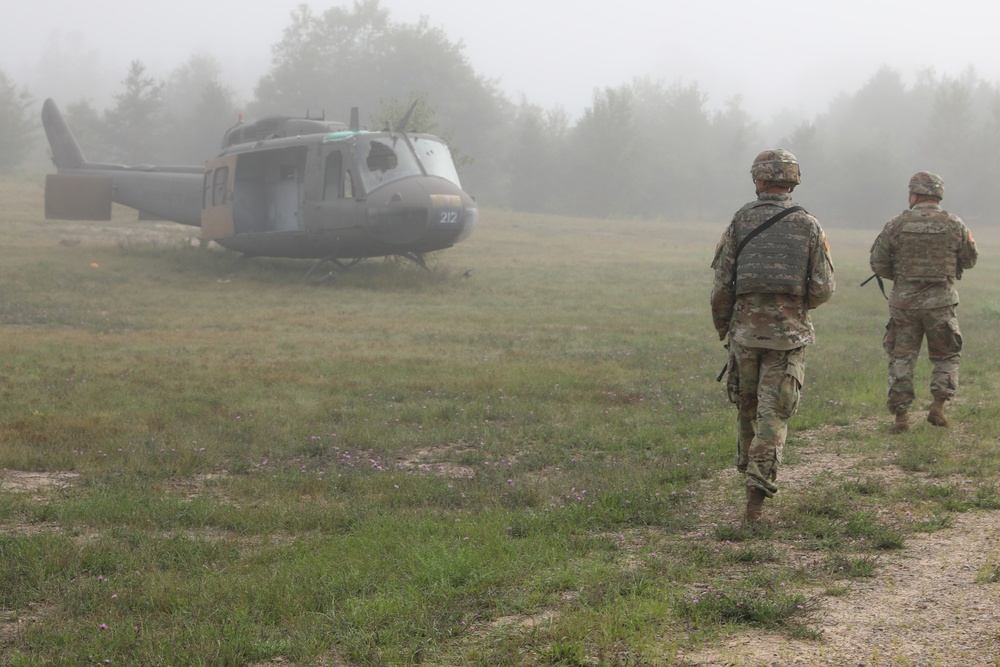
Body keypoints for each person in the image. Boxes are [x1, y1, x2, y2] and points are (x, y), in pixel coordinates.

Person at [710, 149, 836, 522]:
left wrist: (725, 328)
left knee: (747, 411)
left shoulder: (740, 221)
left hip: (745, 334)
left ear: (758, 180)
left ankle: (749, 482)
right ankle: (756, 496)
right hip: (788, 337)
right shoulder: (809, 225)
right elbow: (823, 287)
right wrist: (793, 308)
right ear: (793, 180)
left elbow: (722, 285)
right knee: (773, 416)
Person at [869, 171, 977, 433]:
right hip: (941, 303)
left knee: (901, 358)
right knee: (946, 356)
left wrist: (902, 278)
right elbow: (970, 259)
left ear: (914, 194)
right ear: (938, 195)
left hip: (904, 305)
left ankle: (901, 418)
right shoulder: (955, 224)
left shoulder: (896, 224)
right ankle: (938, 406)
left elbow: (878, 262)